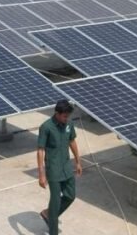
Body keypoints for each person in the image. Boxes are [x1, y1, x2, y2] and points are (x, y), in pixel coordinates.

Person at [37, 100, 83, 235]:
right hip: (53, 170)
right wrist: (41, 174)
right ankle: (53, 231)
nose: (66, 118)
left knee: (70, 196)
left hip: (67, 167)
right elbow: (40, 150)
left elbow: (72, 141)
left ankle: (48, 214)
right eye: (64, 116)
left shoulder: (69, 124)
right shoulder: (46, 127)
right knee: (55, 201)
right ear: (57, 113)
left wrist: (78, 162)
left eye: (68, 116)